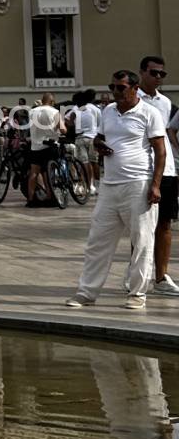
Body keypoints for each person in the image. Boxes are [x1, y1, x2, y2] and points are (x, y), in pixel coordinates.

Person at [66, 70, 166, 312]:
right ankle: (87, 292)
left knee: (142, 240)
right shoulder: (108, 111)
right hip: (110, 186)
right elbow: (99, 138)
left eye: (121, 87)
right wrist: (98, 145)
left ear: (134, 88)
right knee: (98, 241)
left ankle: (137, 293)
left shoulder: (149, 113)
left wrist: (155, 185)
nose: (115, 92)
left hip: (138, 184)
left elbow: (160, 151)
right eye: (112, 87)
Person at [137, 56, 178, 296]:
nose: (158, 78)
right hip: (143, 169)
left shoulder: (165, 102)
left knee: (165, 223)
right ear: (142, 72)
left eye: (162, 74)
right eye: (154, 73)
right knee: (140, 227)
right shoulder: (132, 99)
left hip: (167, 169)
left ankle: (161, 277)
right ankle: (136, 275)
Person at [26, 92, 65, 205]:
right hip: (49, 146)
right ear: (52, 102)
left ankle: (30, 199)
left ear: (42, 101)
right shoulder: (54, 111)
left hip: (35, 146)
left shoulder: (32, 112)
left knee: (34, 172)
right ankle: (50, 197)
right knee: (48, 172)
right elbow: (63, 129)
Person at [71, 89, 100, 198]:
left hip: (80, 137)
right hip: (93, 137)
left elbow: (68, 119)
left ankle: (88, 186)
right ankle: (95, 186)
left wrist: (74, 126)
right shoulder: (95, 108)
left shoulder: (76, 108)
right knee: (94, 162)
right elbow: (100, 123)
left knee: (84, 163)